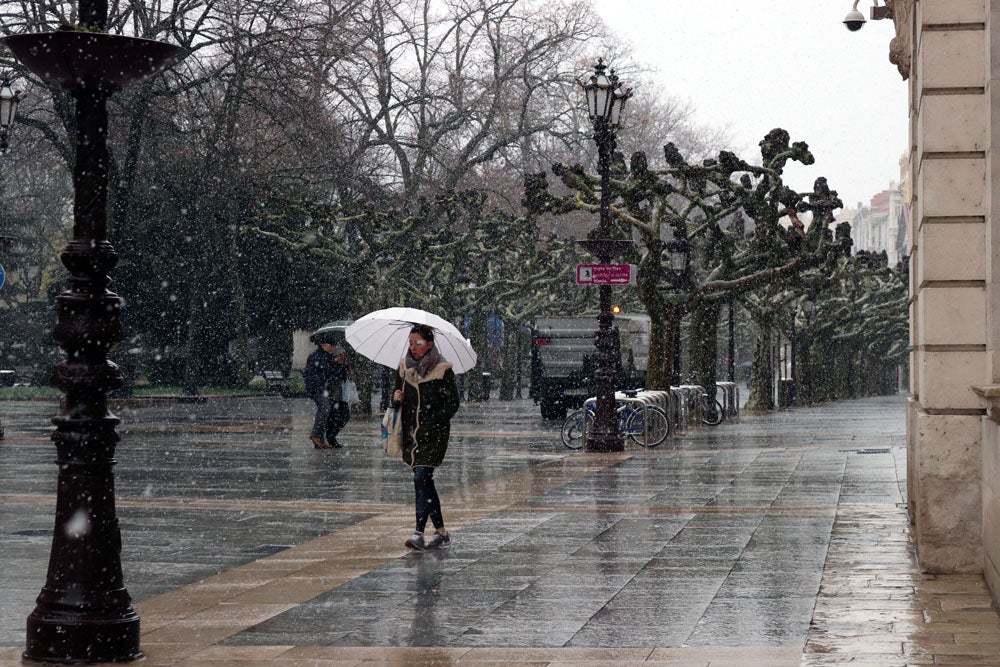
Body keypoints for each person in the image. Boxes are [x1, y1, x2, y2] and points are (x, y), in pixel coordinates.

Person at [393, 324, 460, 550]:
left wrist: (434, 420)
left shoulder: (442, 370)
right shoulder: (404, 369)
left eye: (418, 343)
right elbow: (395, 402)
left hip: (434, 435)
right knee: (424, 481)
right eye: (411, 343)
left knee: (421, 477)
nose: (413, 347)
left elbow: (453, 404)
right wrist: (396, 398)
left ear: (430, 344)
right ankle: (441, 532)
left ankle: (418, 532)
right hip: (412, 434)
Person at [303, 340, 351, 449]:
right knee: (325, 409)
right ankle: (316, 435)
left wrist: (341, 365)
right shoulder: (316, 356)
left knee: (328, 411)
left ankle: (321, 439)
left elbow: (333, 373)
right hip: (319, 389)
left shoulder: (328, 357)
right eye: (330, 345)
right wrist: (313, 388)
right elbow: (310, 374)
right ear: (323, 345)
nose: (332, 347)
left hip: (326, 389)